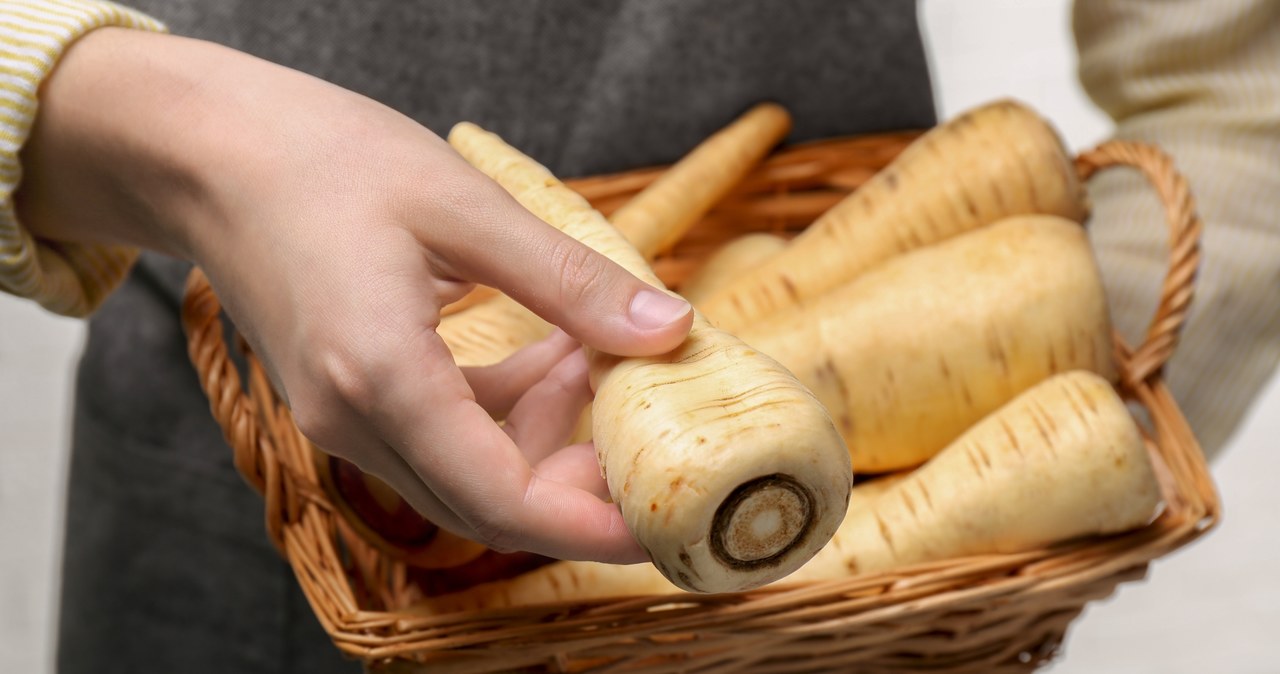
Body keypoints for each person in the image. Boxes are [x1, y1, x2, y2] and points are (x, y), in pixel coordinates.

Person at [0, 1, 1274, 672]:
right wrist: (191, 146)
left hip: (833, 621)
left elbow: (1242, 92)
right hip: (266, 506)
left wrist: (1036, 407)